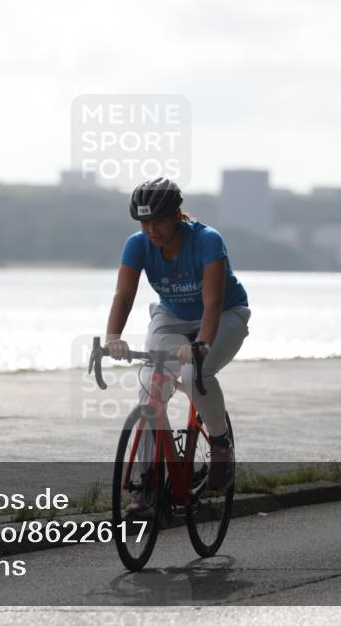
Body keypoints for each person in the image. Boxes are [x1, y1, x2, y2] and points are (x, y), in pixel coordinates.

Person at [104, 178, 251, 507]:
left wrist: (202, 344)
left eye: (158, 221)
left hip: (225, 314)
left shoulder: (207, 240)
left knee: (194, 373)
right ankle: (149, 483)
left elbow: (213, 301)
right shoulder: (137, 245)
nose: (151, 230)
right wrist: (113, 338)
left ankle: (220, 443)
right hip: (172, 315)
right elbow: (123, 294)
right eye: (144, 223)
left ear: (176, 216)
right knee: (150, 389)